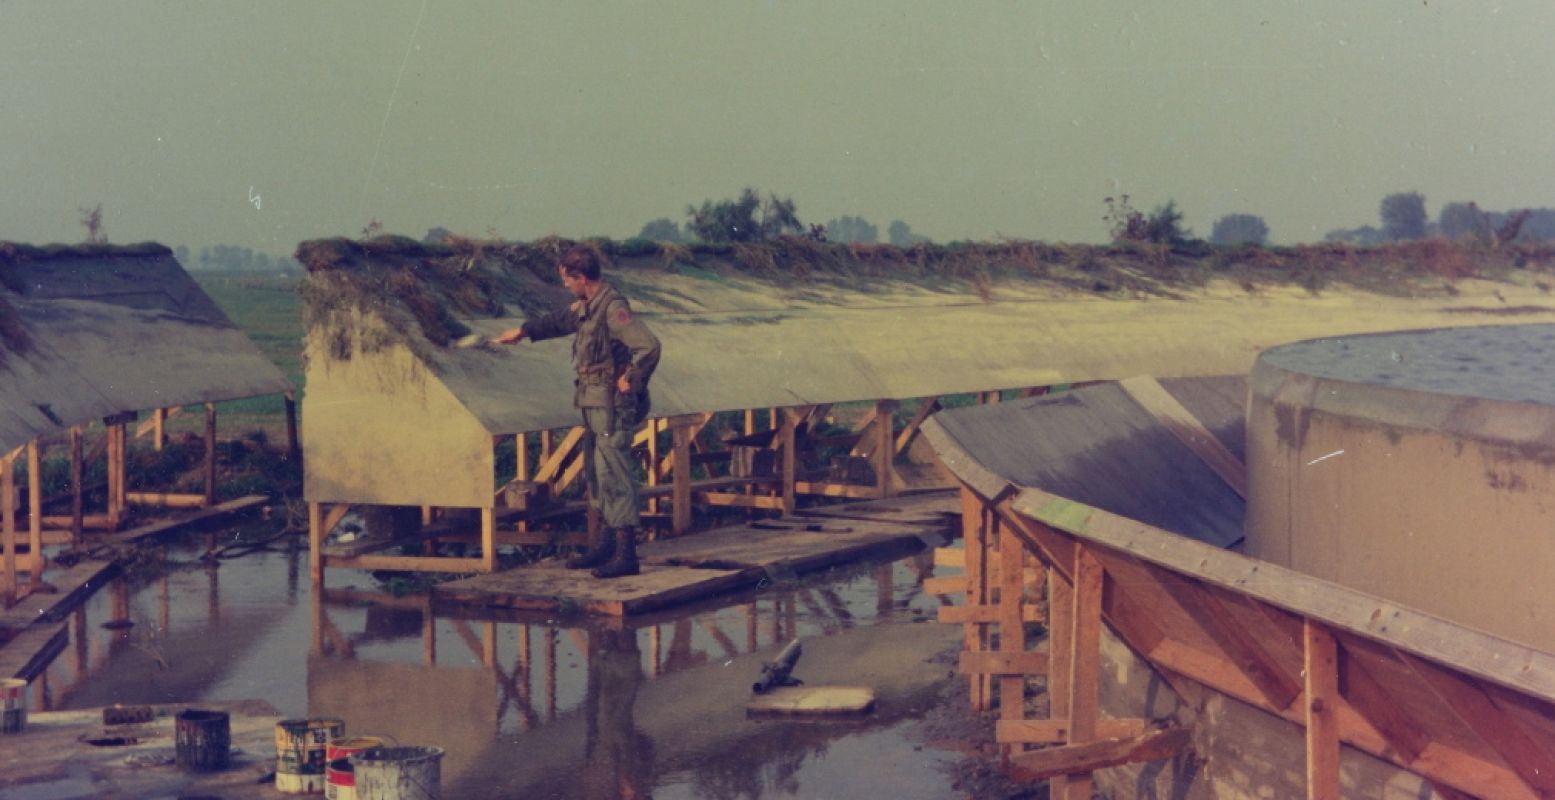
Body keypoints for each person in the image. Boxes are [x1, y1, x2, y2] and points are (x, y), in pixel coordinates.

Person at [495, 245, 660, 578]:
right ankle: (605, 545)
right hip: (593, 402)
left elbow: (649, 346)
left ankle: (627, 555)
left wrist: (633, 378)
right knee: (597, 473)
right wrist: (525, 332)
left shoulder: (613, 309)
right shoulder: (587, 307)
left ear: (581, 277)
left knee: (614, 473)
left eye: (567, 280)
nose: (566, 286)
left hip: (612, 405)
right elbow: (559, 321)